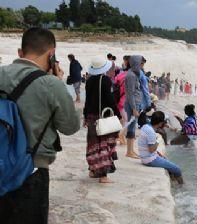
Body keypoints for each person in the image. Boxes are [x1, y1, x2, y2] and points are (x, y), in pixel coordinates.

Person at [0, 28, 80, 224]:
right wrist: (58, 82)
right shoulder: (51, 84)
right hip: (31, 171)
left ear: (20, 52)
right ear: (51, 53)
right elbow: (70, 126)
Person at [83, 56, 121, 183]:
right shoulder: (105, 80)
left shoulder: (89, 81)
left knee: (93, 145)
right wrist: (118, 114)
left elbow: (87, 101)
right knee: (103, 145)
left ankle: (92, 170)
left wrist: (85, 116)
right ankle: (103, 176)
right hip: (102, 117)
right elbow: (110, 99)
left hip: (91, 117)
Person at [138, 111, 183, 184]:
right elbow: (152, 149)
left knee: (168, 163)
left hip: (145, 156)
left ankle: (174, 182)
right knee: (177, 169)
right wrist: (158, 141)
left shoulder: (145, 126)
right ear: (160, 123)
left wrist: (157, 153)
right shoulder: (151, 132)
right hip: (149, 160)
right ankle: (182, 186)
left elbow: (147, 147)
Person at [124, 55, 143, 159]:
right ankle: (129, 152)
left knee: (133, 127)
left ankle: (131, 150)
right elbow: (130, 93)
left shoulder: (135, 74)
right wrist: (134, 109)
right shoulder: (131, 75)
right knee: (131, 128)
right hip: (132, 105)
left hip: (135, 103)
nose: (141, 65)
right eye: (140, 63)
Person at [114, 55, 130, 145]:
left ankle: (122, 138)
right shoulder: (132, 75)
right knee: (127, 120)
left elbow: (115, 83)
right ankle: (120, 136)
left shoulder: (120, 75)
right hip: (125, 101)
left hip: (118, 99)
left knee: (122, 120)